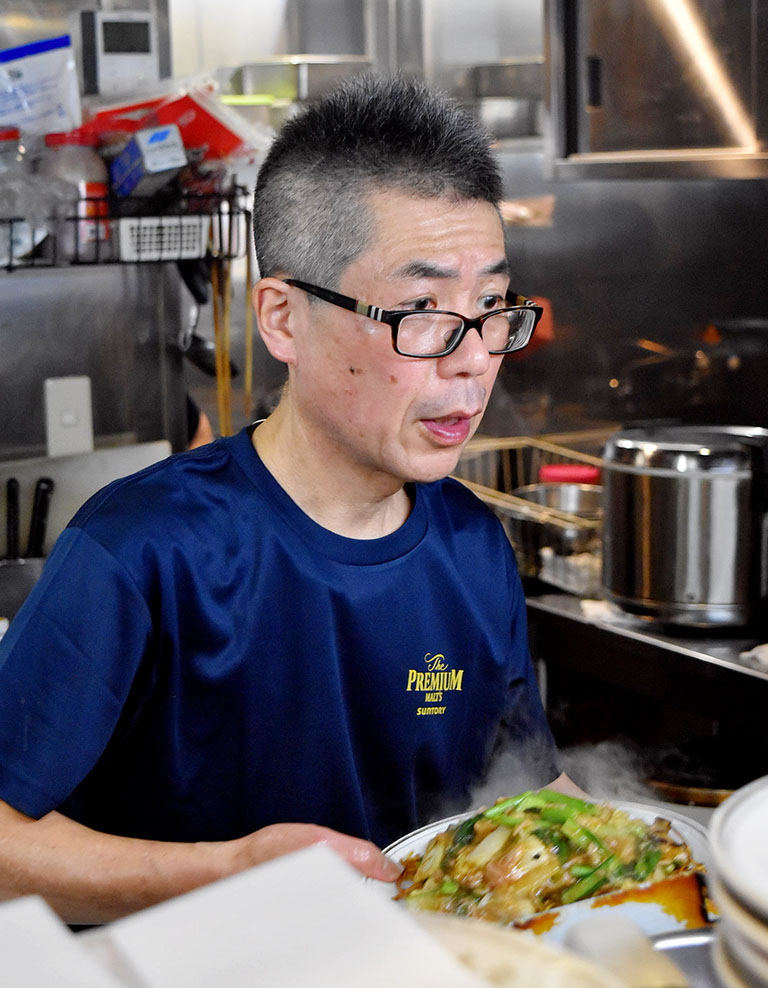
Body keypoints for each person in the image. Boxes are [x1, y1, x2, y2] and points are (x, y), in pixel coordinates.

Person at [0, 74, 571, 926]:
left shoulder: (473, 543)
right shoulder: (144, 550)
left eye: (490, 307)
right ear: (282, 319)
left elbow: (528, 794)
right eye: (421, 312)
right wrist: (232, 871)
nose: (474, 360)